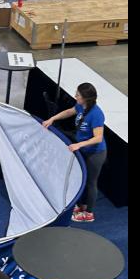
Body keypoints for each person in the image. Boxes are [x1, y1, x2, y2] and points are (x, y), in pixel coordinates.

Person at [42, 82, 106, 223]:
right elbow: (69, 112)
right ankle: (81, 206)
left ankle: (88, 213)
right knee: (81, 177)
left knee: (90, 182)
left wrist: (79, 144)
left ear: (86, 99)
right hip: (82, 149)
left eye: (78, 95)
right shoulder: (81, 106)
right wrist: (52, 119)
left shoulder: (96, 114)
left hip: (94, 153)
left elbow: (98, 138)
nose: (75, 96)